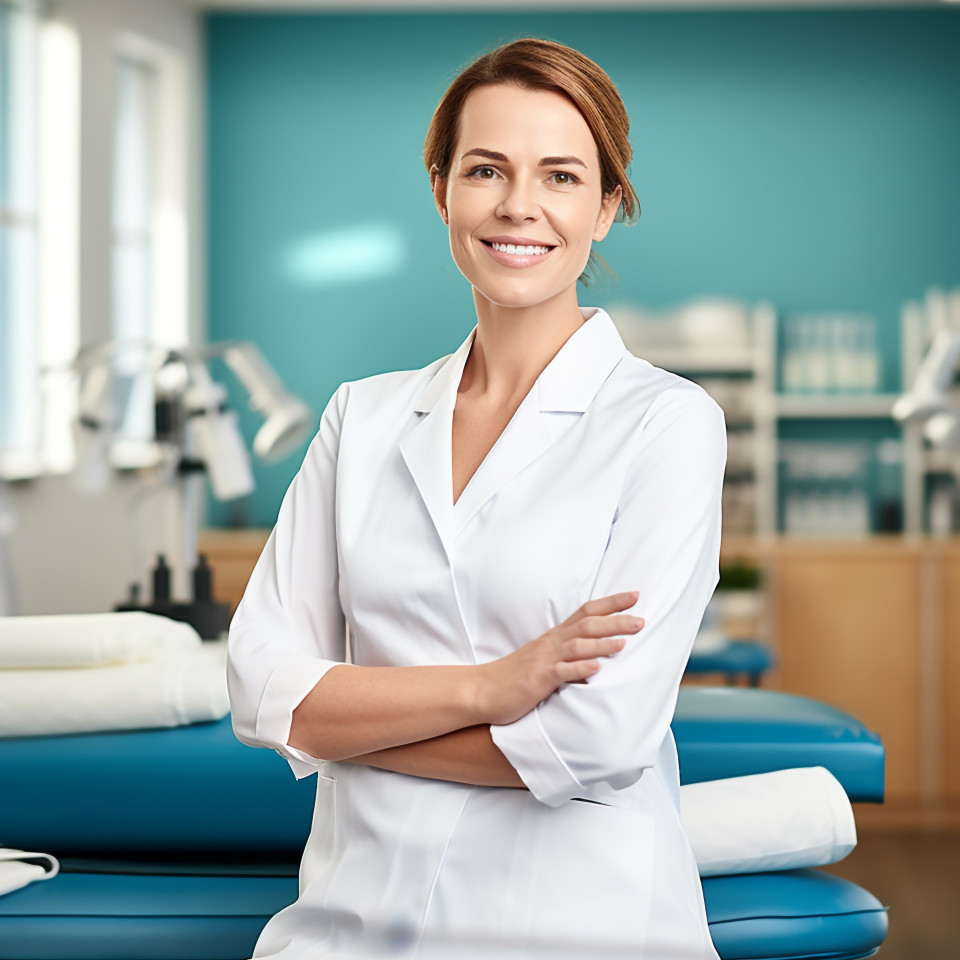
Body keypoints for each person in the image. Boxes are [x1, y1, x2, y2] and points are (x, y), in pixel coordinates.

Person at [227, 37, 725, 960]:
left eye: (562, 176)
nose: (518, 206)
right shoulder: (362, 418)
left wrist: (343, 725)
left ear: (608, 206)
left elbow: (598, 743)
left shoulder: (667, 423)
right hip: (347, 926)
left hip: (576, 927)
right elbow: (261, 688)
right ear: (441, 190)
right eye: (486, 169)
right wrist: (493, 687)